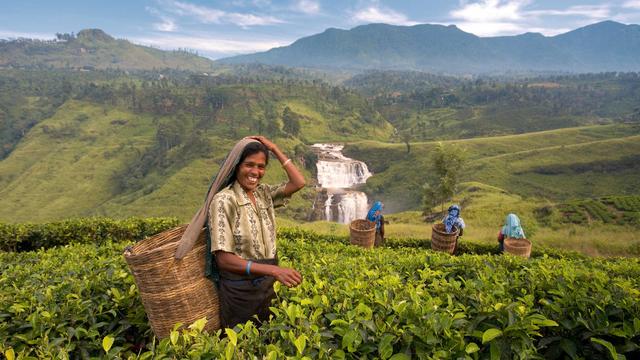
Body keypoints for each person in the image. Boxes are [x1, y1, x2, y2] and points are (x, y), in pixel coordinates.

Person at [176, 135, 305, 329]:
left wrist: (275, 148)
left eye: (261, 166)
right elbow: (224, 260)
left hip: (267, 287)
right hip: (240, 293)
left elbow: (298, 183)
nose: (255, 172)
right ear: (236, 166)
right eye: (249, 165)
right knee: (241, 345)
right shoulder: (224, 200)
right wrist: (274, 270)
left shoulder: (264, 194)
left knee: (266, 343)